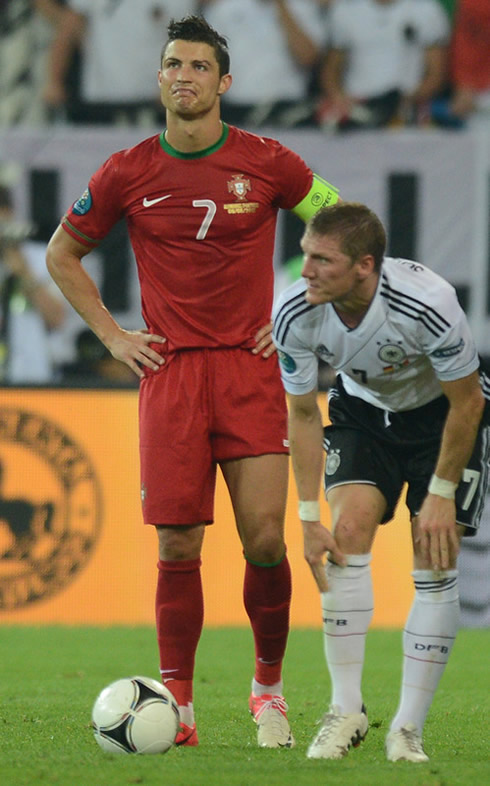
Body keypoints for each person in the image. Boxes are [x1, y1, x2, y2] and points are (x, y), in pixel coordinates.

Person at [45, 14, 341, 748]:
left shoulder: (268, 161)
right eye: (173, 63)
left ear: (224, 82)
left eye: (200, 66)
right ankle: (176, 706)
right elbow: (61, 254)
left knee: (267, 539)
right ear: (160, 78)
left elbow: (346, 226)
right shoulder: (127, 170)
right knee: (178, 546)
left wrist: (301, 307)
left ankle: (266, 690)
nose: (184, 75)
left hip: (249, 370)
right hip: (171, 375)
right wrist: (114, 336)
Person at [272, 202, 489, 761]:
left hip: (441, 417)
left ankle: (407, 729)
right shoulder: (294, 312)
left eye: (323, 260)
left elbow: (469, 402)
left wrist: (440, 495)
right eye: (305, 256)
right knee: (346, 536)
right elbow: (300, 413)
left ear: (365, 266)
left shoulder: (428, 304)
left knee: (434, 554)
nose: (307, 271)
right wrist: (306, 516)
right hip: (362, 414)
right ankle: (346, 711)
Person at [43, 0, 199, 125]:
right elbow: (67, 31)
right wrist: (54, 81)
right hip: (101, 98)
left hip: (154, 101)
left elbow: (187, 44)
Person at [317, 0, 450, 131]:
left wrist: (405, 103)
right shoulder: (346, 9)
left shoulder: (426, 9)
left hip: (405, 112)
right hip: (357, 112)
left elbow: (436, 73)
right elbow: (331, 70)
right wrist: (340, 100)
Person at [200, 0, 327, 127]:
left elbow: (308, 58)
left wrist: (281, 6)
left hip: (287, 108)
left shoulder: (304, 8)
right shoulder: (224, 9)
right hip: (235, 109)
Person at [0, 185, 66, 383]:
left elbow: (56, 318)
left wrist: (24, 273)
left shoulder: (41, 258)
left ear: (9, 213)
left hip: (33, 376)